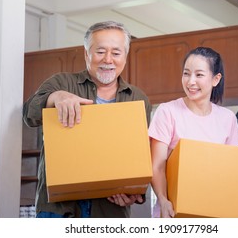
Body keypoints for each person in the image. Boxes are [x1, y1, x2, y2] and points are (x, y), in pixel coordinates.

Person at [23, 21, 152, 218]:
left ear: (125, 56)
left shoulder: (138, 98)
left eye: (116, 53)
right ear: (86, 54)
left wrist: (135, 194)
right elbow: (28, 115)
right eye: (100, 51)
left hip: (110, 211)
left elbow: (140, 155)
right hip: (59, 210)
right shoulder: (62, 82)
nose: (108, 59)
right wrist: (55, 97)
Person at [148, 46, 238, 218]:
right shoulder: (167, 111)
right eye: (186, 73)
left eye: (199, 75)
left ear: (216, 79)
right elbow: (158, 166)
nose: (190, 81)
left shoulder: (228, 118)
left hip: (216, 210)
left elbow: (234, 170)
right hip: (173, 211)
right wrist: (162, 199)